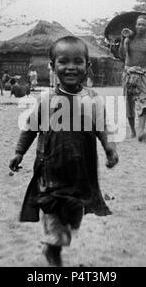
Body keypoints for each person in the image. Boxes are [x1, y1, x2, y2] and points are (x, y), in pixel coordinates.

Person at [9, 36, 119, 267]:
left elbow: (101, 127)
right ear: (52, 66)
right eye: (63, 61)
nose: (71, 67)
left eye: (78, 61)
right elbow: (30, 128)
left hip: (82, 169)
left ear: (87, 66)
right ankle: (53, 247)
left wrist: (109, 148)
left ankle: (60, 237)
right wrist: (19, 152)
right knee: (52, 205)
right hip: (51, 167)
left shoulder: (92, 99)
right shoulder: (47, 99)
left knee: (75, 212)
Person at [118, 15, 146, 142]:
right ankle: (133, 130)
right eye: (138, 24)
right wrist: (123, 39)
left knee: (145, 102)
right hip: (128, 75)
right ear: (135, 26)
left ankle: (141, 130)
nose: (140, 27)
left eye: (143, 25)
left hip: (141, 75)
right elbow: (122, 55)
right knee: (129, 104)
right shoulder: (129, 40)